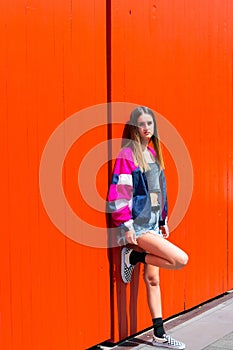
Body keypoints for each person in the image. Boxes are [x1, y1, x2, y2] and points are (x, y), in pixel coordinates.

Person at [108, 106, 188, 349]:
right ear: (135, 128)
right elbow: (119, 192)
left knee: (153, 280)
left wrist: (163, 219)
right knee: (180, 259)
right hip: (138, 227)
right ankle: (133, 256)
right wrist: (126, 224)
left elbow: (159, 191)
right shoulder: (127, 155)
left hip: (153, 224)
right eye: (142, 124)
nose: (146, 128)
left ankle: (159, 333)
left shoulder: (153, 153)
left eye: (150, 124)